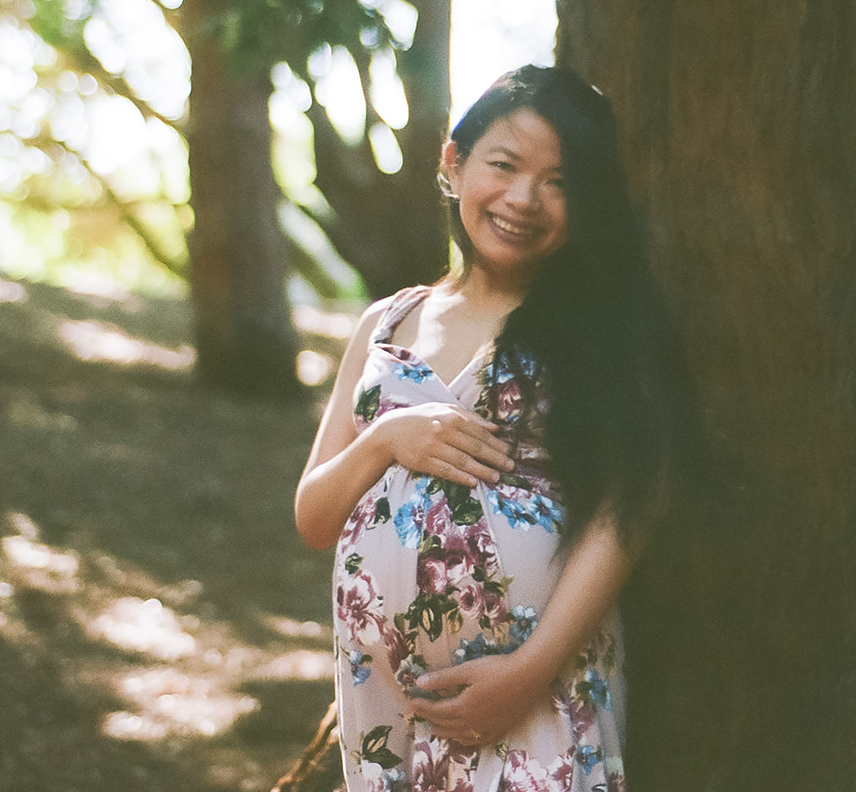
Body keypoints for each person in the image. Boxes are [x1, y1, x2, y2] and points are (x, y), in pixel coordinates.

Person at [296, 66, 693, 792]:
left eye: (560, 181)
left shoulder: (599, 327)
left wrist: (528, 672)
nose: (523, 198)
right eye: (504, 165)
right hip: (387, 701)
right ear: (454, 163)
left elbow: (631, 500)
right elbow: (315, 515)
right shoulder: (386, 323)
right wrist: (388, 438)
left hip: (537, 688)